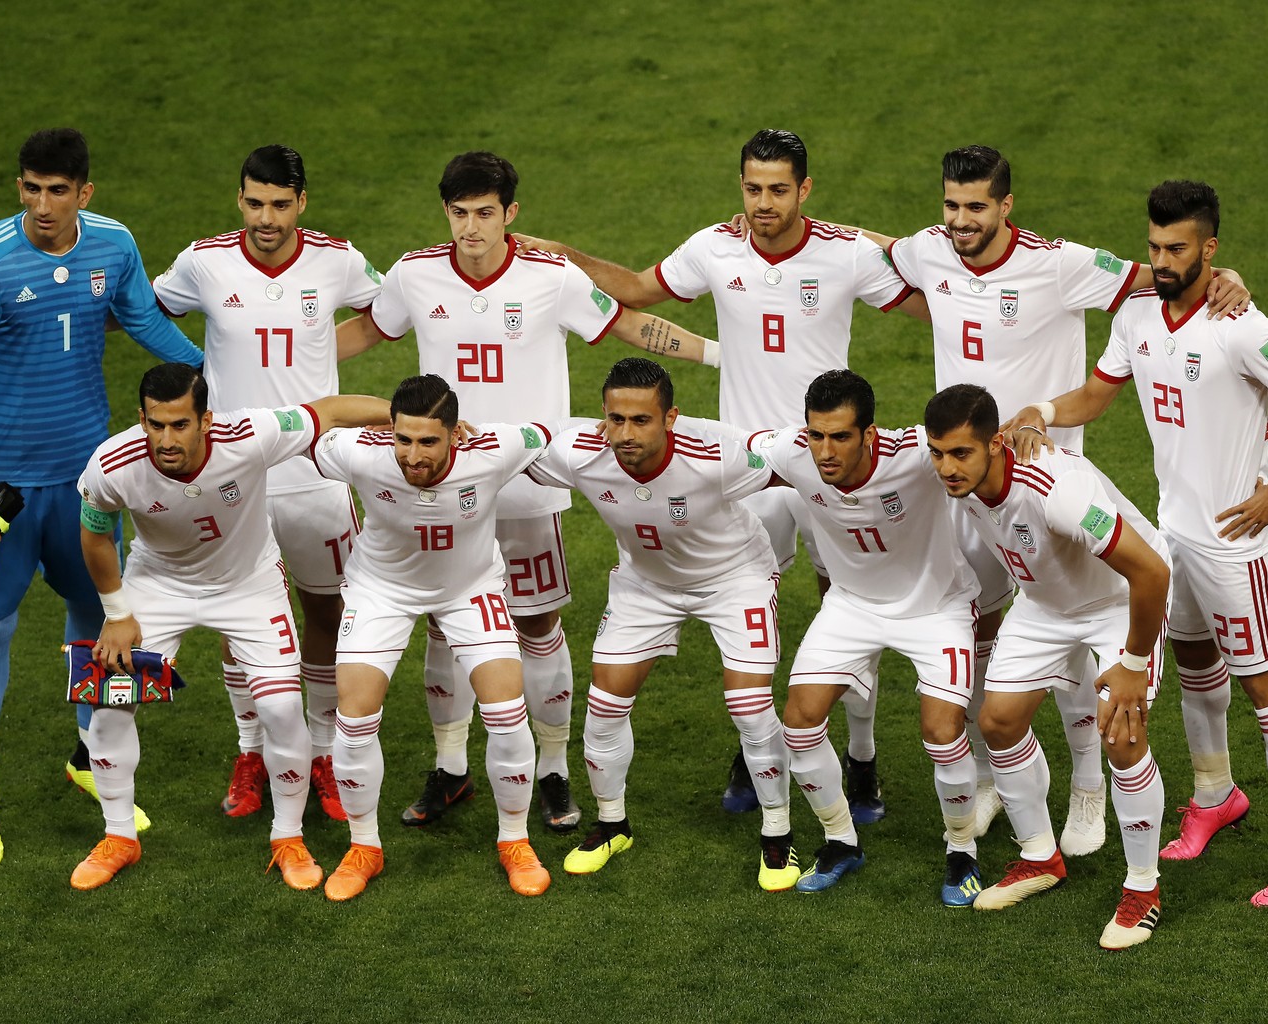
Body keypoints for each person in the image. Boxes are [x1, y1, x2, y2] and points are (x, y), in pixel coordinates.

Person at [515, 129, 925, 823]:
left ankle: (861, 760)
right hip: (748, 470)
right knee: (746, 614)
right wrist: (565, 257)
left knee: (850, 610)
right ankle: (752, 748)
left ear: (805, 189)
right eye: (752, 188)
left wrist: (870, 237)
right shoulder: (715, 247)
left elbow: (929, 296)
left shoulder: (846, 254)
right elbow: (641, 287)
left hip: (827, 464)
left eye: (778, 189)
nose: (763, 204)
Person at [336, 152, 718, 835]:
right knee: (443, 625)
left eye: (486, 213)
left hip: (528, 482)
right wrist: (270, 356)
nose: (472, 228)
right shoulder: (416, 274)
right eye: (460, 214)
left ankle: (551, 768)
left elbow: (628, 324)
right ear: (445, 213)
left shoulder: (550, 277)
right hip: (444, 482)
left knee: (538, 623)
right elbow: (367, 331)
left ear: (511, 213)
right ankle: (451, 767)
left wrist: (720, 355)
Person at [879, 146, 1247, 852]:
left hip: (1046, 485)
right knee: (983, 626)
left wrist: (1222, 275)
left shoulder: (1057, 264)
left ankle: (1086, 784)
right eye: (951, 205)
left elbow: (1158, 276)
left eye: (976, 207)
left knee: (1073, 631)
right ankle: (993, 776)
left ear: (1006, 205)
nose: (960, 220)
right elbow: (878, 247)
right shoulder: (930, 250)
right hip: (968, 487)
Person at [1005, 180, 1268, 907]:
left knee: (1264, 685)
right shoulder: (1135, 316)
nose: (1161, 259)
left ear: (1210, 248)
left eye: (1177, 248)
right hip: (1173, 534)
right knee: (1194, 664)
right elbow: (1096, 395)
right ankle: (1216, 795)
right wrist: (1038, 407)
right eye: (1155, 246)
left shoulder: (1241, 322)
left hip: (1236, 542)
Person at [0, 128, 205, 866]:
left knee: (99, 623)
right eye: (29, 188)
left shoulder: (112, 245)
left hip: (90, 483)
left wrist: (220, 384)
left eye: (56, 190)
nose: (41, 205)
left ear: (86, 191)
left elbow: (145, 322)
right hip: (2, 494)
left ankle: (89, 757)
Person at [72, 363, 392, 891]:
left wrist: (399, 415)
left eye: (179, 425)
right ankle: (118, 836)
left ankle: (287, 836)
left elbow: (329, 412)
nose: (166, 439)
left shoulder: (250, 435)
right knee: (109, 706)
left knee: (282, 708)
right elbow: (95, 536)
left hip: (249, 585)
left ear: (206, 421)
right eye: (155, 425)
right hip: (159, 587)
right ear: (142, 418)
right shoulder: (112, 464)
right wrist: (117, 613)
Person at [153, 145, 384, 824]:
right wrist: (200, 366)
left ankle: (318, 752)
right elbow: (146, 310)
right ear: (240, 199)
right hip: (234, 478)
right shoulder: (204, 261)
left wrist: (322, 349)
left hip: (316, 471)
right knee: (237, 616)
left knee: (327, 611)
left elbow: (391, 312)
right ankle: (251, 750)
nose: (266, 218)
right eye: (255, 202)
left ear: (301, 203)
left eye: (280, 204)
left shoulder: (337, 260)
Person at [524, 358, 797, 891]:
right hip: (645, 584)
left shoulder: (716, 451)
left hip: (734, 578)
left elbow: (805, 459)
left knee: (748, 704)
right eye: (615, 419)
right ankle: (611, 824)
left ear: (671, 418)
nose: (624, 434)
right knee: (604, 704)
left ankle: (778, 834)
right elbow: (505, 450)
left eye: (641, 420)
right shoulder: (580, 451)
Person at [924, 384, 1171, 950]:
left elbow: (1152, 571)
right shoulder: (959, 473)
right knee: (998, 722)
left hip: (1118, 602)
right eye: (938, 453)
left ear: (995, 443)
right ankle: (1039, 857)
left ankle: (1142, 889)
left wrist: (1133, 662)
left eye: (961, 454)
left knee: (1122, 734)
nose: (947, 467)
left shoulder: (1055, 489)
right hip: (1044, 605)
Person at [308, 373, 558, 900]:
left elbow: (547, 433)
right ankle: (363, 847)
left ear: (456, 434)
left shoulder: (492, 450)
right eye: (403, 439)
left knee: (508, 710)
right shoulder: (357, 452)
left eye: (427, 441)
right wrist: (382, 411)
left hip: (470, 589)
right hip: (381, 592)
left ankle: (514, 840)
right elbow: (317, 419)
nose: (412, 456)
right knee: (353, 720)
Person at [744, 370, 982, 901]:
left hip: (935, 606)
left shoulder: (919, 453)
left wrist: (1032, 422)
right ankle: (839, 840)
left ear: (869, 435)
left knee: (943, 732)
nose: (825, 452)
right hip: (851, 606)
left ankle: (961, 849)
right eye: (816, 436)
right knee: (800, 720)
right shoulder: (790, 452)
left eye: (841, 437)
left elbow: (982, 443)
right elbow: (725, 450)